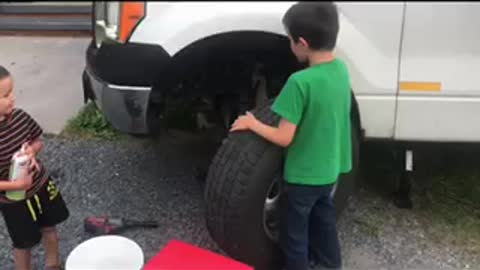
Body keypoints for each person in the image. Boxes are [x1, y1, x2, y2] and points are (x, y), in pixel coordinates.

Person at [230, 2, 351, 270]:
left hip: (302, 178)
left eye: (290, 40)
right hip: (330, 172)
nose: (289, 45)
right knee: (324, 223)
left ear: (303, 43)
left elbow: (284, 137)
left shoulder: (300, 83)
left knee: (295, 235)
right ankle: (331, 265)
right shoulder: (341, 70)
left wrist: (253, 123)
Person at [0, 65, 70, 270]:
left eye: (12, 91)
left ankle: (53, 264)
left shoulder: (21, 117)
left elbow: (37, 140)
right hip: (13, 200)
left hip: (40, 185)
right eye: (5, 95)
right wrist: (17, 184)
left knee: (50, 228)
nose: (12, 98)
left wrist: (32, 151)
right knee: (23, 243)